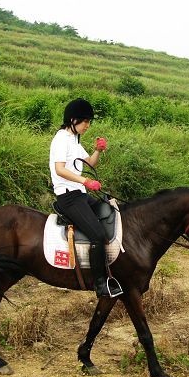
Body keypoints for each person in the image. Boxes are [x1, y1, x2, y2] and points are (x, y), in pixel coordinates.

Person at [49, 98, 121, 297]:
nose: (88, 126)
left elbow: (89, 163)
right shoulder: (61, 139)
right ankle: (100, 284)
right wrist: (84, 181)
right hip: (68, 197)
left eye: (89, 122)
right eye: (85, 122)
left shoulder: (74, 140)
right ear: (73, 120)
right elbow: (59, 169)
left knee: (110, 211)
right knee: (97, 235)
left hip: (80, 195)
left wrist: (98, 150)